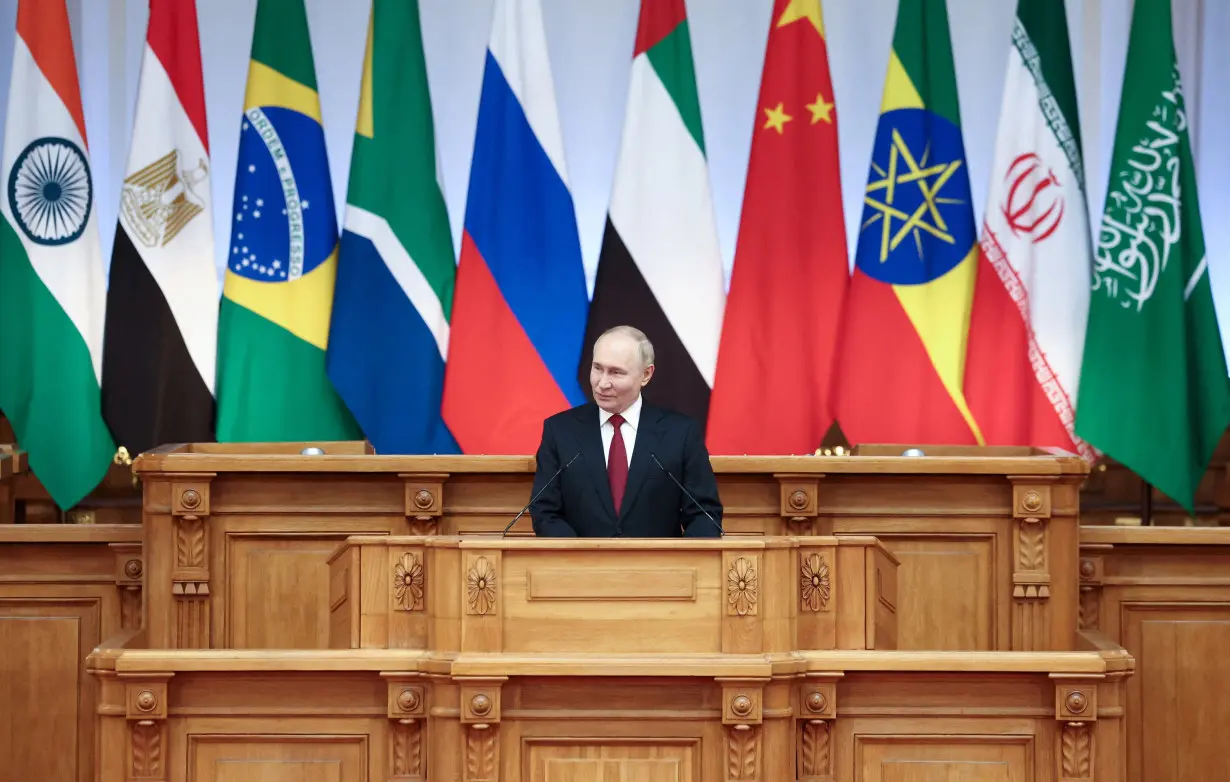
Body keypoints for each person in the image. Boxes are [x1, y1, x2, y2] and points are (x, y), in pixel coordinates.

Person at [529, 325, 723, 537]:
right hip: (579, 566)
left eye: (616, 372)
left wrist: (678, 564)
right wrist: (579, 557)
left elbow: (705, 515)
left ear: (646, 375)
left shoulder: (680, 434)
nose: (602, 383)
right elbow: (545, 512)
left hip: (659, 566)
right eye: (597, 368)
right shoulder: (560, 431)